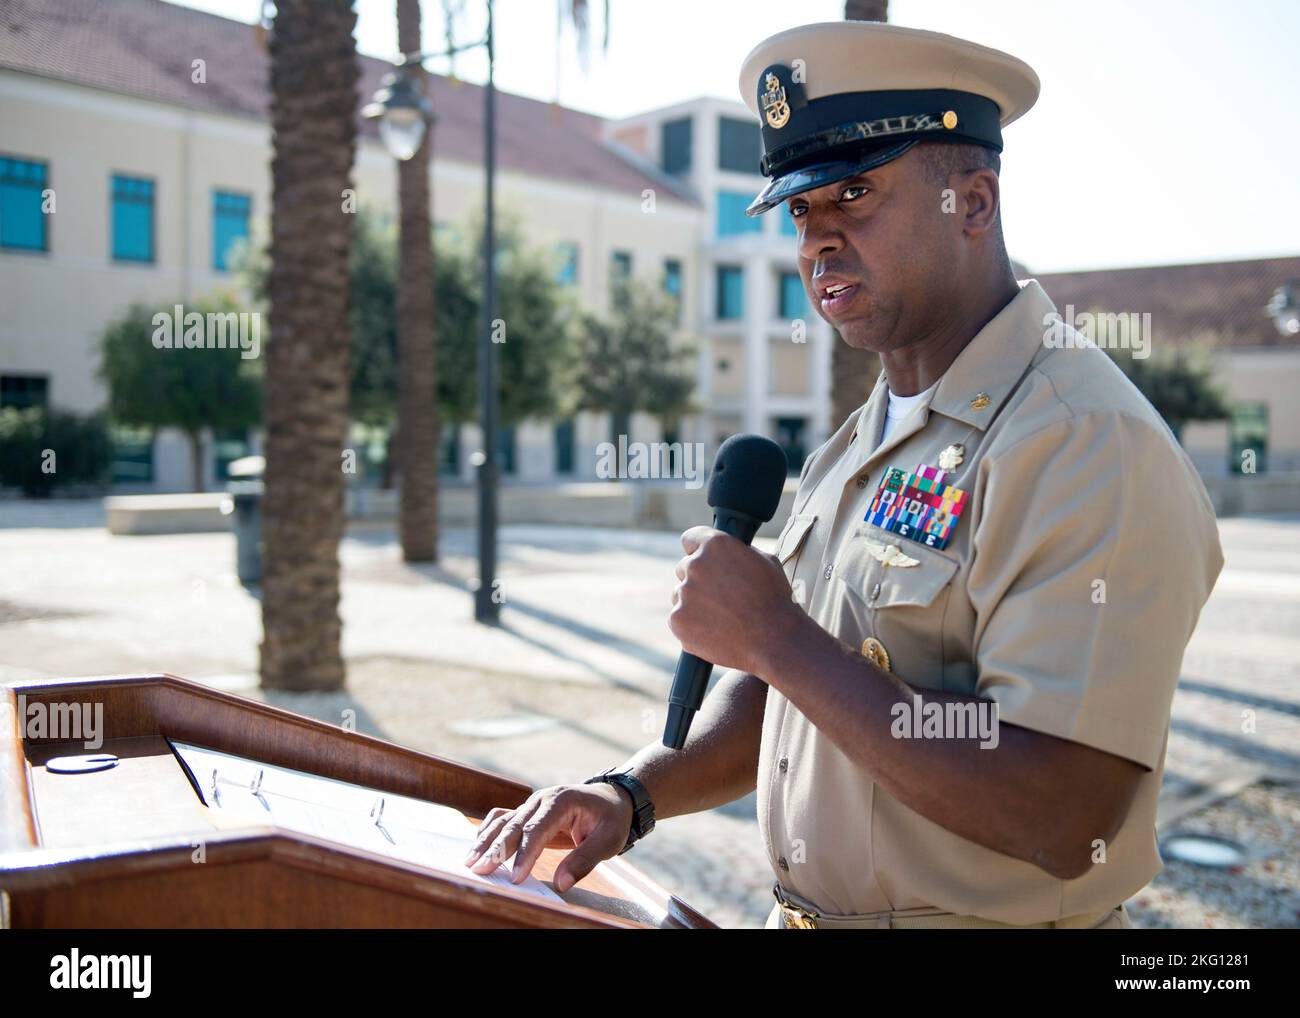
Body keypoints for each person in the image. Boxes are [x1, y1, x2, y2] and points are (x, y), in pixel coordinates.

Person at [462, 21, 1225, 930]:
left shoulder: (1083, 444)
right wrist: (633, 793)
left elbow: (1064, 812)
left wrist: (776, 636)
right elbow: (805, 694)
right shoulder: (863, 438)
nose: (818, 240)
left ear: (973, 203)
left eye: (855, 194)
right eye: (800, 210)